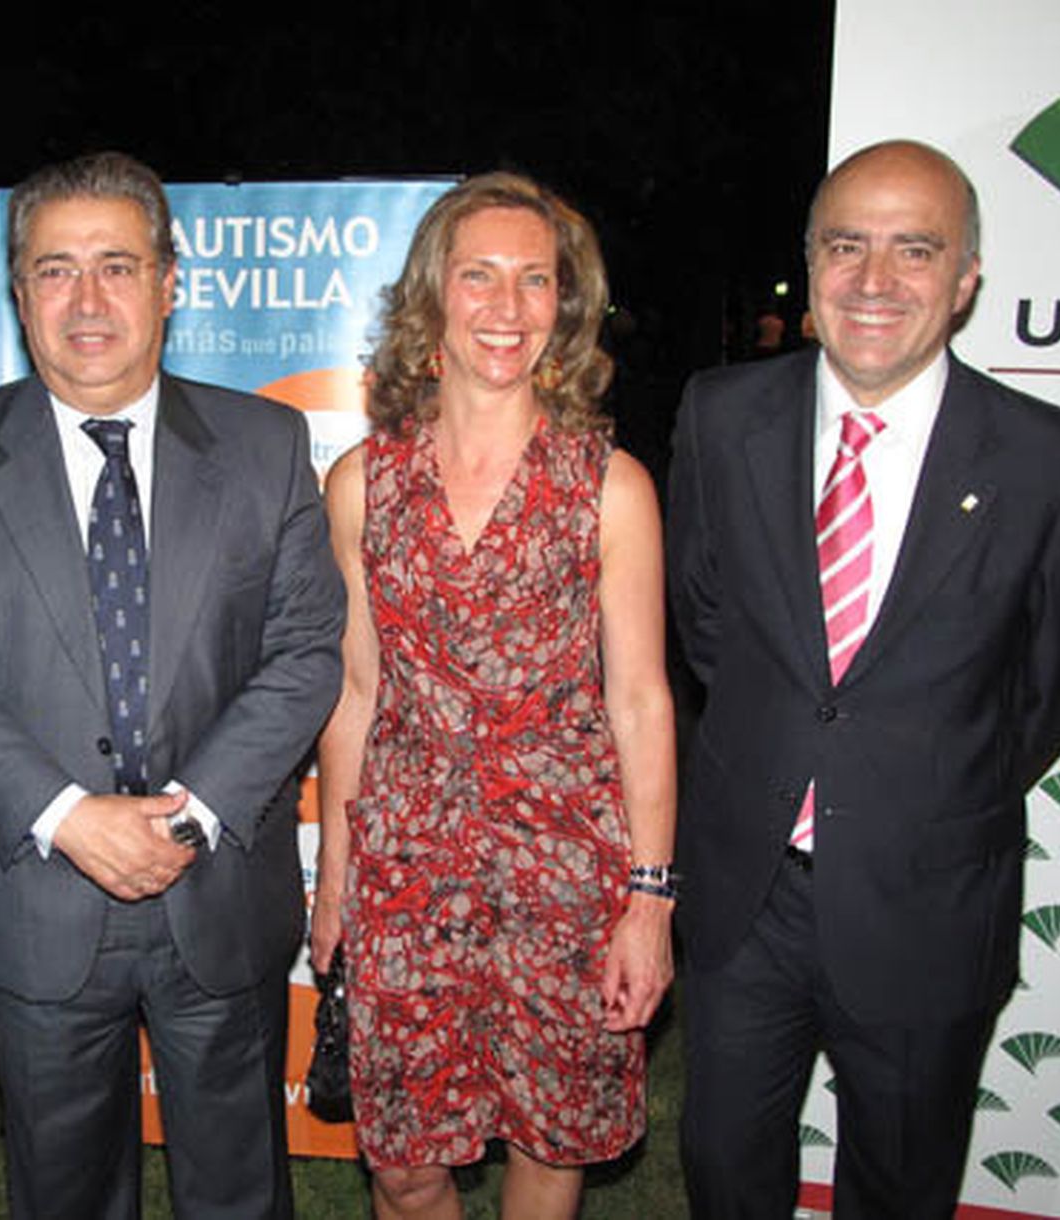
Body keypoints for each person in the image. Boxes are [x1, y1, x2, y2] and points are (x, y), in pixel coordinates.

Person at [0, 151, 344, 1220]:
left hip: (217, 890)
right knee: (66, 1193)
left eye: (118, 266)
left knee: (237, 1191)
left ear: (170, 282)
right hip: (36, 894)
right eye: (54, 269)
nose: (86, 300)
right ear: (18, 290)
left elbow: (306, 645)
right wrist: (68, 817)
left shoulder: (264, 444)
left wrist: (190, 813)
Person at [668, 140, 1060, 1218]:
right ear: (810, 261)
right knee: (725, 1170)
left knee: (902, 1186)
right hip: (743, 896)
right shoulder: (720, 416)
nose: (874, 280)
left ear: (964, 281)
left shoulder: (1058, 462)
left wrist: (924, 773)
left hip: (928, 899)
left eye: (914, 250)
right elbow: (705, 621)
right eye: (846, 244)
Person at [310, 172, 677, 1219]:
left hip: (567, 868)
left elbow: (642, 702)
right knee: (404, 1160)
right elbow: (357, 688)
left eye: (534, 280)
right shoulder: (362, 484)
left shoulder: (610, 487)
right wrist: (337, 875)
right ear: (434, 292)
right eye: (479, 275)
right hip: (407, 864)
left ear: (564, 303)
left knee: (546, 1139)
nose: (506, 306)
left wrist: (648, 901)